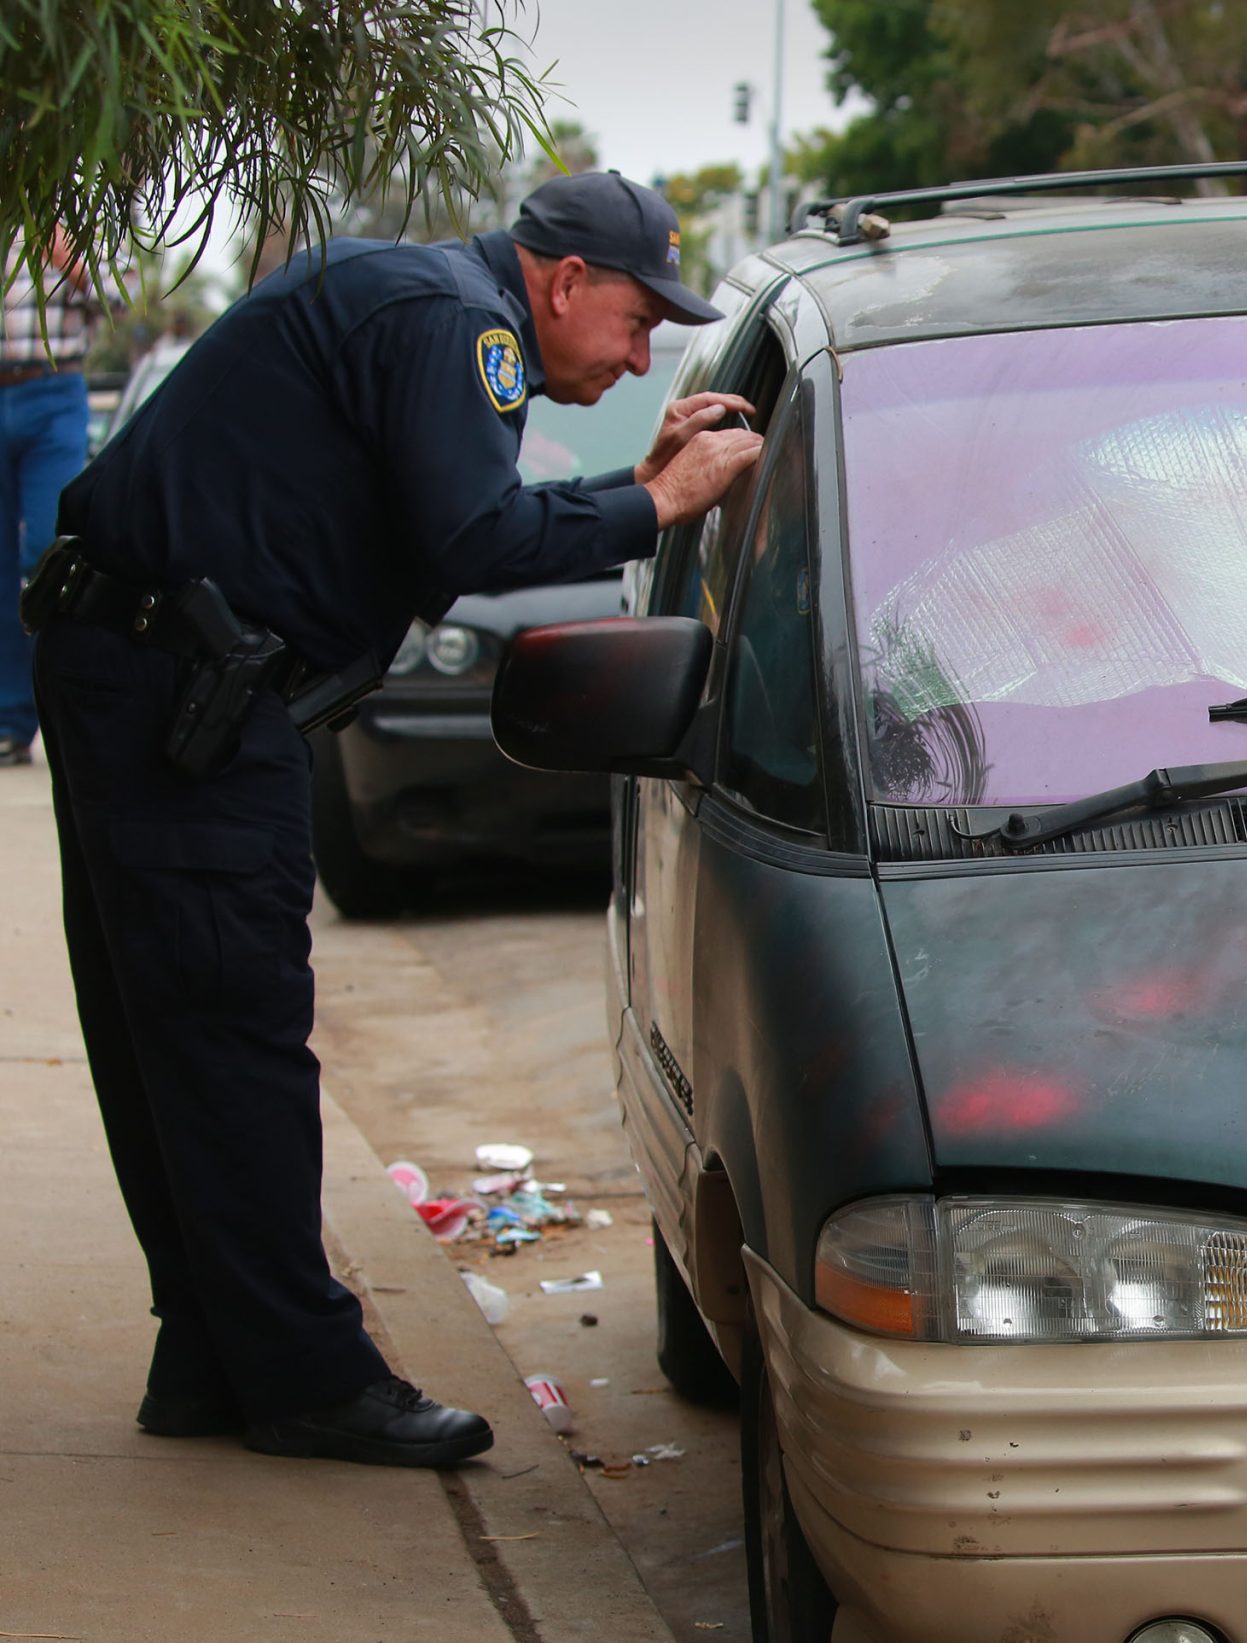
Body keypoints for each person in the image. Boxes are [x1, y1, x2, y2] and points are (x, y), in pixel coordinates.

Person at [31, 170, 764, 1468]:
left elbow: (442, 530)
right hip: (181, 694)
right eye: (637, 322)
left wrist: (630, 478)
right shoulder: (458, 327)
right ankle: (310, 1376)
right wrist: (656, 500)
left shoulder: (422, 302)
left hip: (136, 670)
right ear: (562, 281)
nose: (644, 354)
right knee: (234, 1023)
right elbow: (474, 540)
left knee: (176, 1027)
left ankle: (214, 1352)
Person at [0, 227, 101, 764]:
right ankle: (10, 719)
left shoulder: (72, 211)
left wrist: (71, 258)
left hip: (53, 390)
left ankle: (68, 709)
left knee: (50, 550)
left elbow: (118, 299)